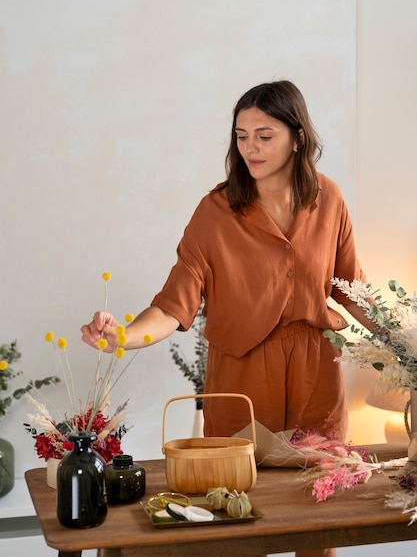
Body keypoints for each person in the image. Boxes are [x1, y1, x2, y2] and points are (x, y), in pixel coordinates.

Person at [82, 80, 374, 557]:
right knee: (236, 516)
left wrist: (405, 339)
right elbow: (174, 301)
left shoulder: (329, 198)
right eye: (241, 136)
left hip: (316, 370)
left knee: (319, 518)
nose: (250, 148)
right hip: (241, 376)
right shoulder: (215, 211)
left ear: (298, 137)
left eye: (265, 135)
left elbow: (352, 286)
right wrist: (122, 338)